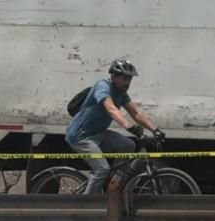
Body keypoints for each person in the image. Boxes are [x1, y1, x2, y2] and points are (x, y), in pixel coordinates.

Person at [65, 58, 164, 194]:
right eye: (125, 78)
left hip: (98, 133)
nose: (128, 82)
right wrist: (130, 127)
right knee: (102, 169)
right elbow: (111, 109)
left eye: (130, 79)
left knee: (128, 145)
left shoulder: (121, 93)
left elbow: (135, 112)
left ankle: (114, 185)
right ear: (113, 76)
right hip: (80, 137)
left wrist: (155, 129)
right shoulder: (102, 86)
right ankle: (86, 206)